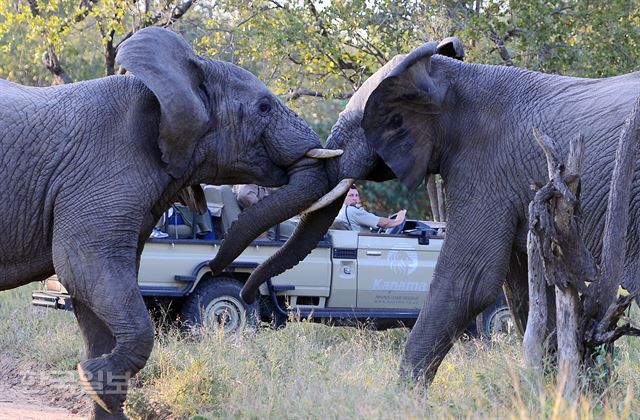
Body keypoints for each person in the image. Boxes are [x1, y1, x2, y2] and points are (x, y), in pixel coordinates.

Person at [331, 185, 407, 232]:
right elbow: (384, 224)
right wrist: (398, 220)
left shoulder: (340, 210)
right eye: (351, 195)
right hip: (361, 247)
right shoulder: (352, 211)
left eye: (356, 195)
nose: (355, 198)